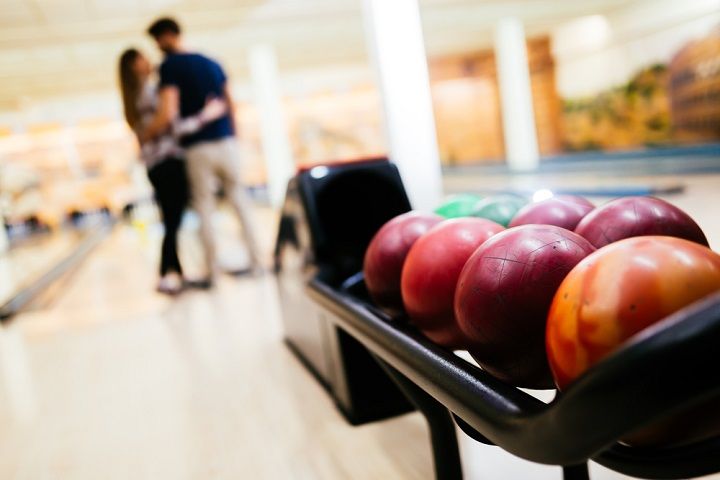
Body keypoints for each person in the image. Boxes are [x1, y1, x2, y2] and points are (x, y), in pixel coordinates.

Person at [144, 17, 261, 288]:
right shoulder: (212, 61)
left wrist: (148, 133)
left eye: (157, 40)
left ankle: (214, 272)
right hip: (227, 142)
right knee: (240, 202)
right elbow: (231, 103)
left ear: (166, 37)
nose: (158, 46)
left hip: (198, 147)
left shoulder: (170, 66)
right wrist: (233, 136)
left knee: (204, 207)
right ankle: (257, 263)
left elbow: (168, 111)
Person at [118, 48, 226, 294]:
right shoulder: (149, 92)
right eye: (142, 59)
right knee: (173, 221)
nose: (148, 61)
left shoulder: (131, 98)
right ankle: (167, 273)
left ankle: (174, 272)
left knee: (171, 220)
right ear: (134, 65)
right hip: (169, 163)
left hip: (155, 166)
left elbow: (151, 131)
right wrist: (205, 116)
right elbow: (172, 124)